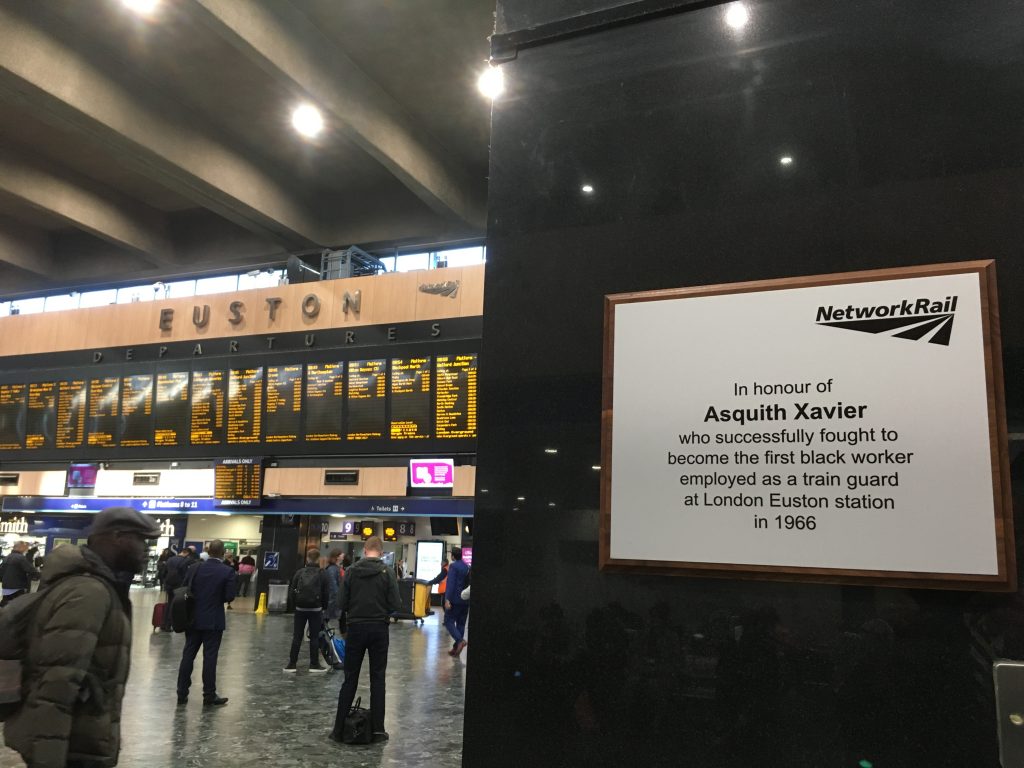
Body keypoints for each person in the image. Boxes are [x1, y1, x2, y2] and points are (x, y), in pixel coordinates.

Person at [4, 506, 161, 768]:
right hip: (72, 747)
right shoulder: (88, 592)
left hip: (83, 739)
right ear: (118, 536)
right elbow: (56, 683)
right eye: (141, 540)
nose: (146, 549)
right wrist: (48, 758)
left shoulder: (98, 586)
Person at [330, 536, 401, 745]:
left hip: (356, 628)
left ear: (364, 550)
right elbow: (395, 603)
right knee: (378, 678)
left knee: (350, 678)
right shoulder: (387, 572)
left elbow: (341, 602)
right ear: (380, 552)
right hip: (379, 629)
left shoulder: (351, 571)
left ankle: (338, 729)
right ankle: (378, 730)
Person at [176, 539, 236, 706]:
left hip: (192, 618)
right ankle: (209, 694)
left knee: (188, 655)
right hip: (213, 621)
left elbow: (184, 588)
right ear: (223, 552)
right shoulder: (227, 571)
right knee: (210, 658)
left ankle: (182, 693)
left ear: (208, 551)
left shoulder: (194, 568)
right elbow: (229, 596)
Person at [285, 548, 330, 672]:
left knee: (297, 637)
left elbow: (292, 590)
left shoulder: (299, 572)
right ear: (318, 559)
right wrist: (324, 607)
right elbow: (326, 593)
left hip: (300, 609)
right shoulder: (322, 573)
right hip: (316, 609)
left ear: (307, 558)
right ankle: (314, 664)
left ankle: (292, 664)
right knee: (314, 637)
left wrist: (295, 605)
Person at [443, 547, 471, 657]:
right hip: (466, 599)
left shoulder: (453, 566)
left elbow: (451, 584)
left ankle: (460, 641)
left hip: (455, 599)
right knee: (461, 623)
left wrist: (447, 599)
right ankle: (456, 648)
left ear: (453, 556)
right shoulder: (467, 566)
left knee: (448, 620)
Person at [161, 547, 192, 632]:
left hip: (168, 585)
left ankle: (163, 624)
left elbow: (164, 572)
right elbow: (186, 575)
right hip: (178, 586)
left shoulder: (170, 559)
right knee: (174, 605)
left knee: (169, 603)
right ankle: (169, 625)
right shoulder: (185, 561)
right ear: (187, 553)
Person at [0, 541, 39, 606]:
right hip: (18, 587)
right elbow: (32, 570)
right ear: (21, 547)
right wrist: (37, 576)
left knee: (6, 603)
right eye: (26, 547)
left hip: (6, 587)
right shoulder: (20, 558)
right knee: (18, 605)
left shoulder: (6, 558)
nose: (27, 549)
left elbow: (1, 572)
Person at [324, 549, 344, 630]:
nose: (343, 556)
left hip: (333, 601)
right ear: (337, 557)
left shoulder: (334, 568)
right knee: (324, 622)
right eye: (341, 555)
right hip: (333, 602)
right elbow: (333, 587)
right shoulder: (333, 569)